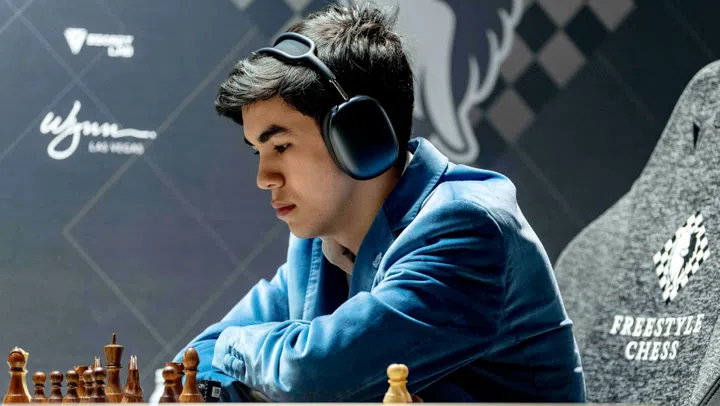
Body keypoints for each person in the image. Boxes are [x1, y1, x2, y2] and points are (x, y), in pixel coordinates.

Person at [173, 3, 585, 403]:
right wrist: (247, 369)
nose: (264, 178)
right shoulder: (318, 243)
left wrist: (236, 348)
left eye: (280, 146)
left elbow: (313, 375)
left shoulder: (466, 229)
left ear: (358, 137)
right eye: (258, 151)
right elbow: (194, 362)